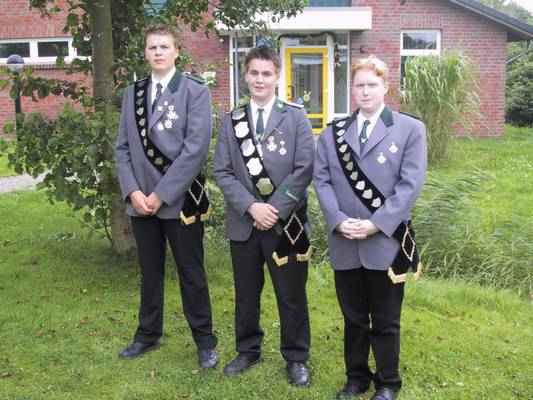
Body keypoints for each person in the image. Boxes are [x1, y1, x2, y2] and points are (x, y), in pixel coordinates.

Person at [313, 55, 427, 400]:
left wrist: (376, 224)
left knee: (386, 319)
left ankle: (388, 382)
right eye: (359, 85)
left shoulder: (409, 130)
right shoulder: (333, 133)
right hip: (346, 239)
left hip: (385, 243)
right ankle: (356, 378)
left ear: (385, 87)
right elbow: (322, 180)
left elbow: (409, 186)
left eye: (372, 85)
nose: (365, 91)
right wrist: (337, 220)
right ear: (352, 89)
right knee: (354, 318)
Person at [115, 24, 218, 369]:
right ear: (145, 53)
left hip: (180, 200)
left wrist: (160, 195)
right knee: (150, 272)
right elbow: (122, 148)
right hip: (140, 201)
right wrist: (133, 191)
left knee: (191, 272)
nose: (158, 52)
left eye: (164, 46)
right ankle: (147, 335)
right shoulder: (132, 94)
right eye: (152, 47)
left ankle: (205, 341)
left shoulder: (194, 91)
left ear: (177, 52)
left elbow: (195, 149)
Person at [213, 46, 314, 387]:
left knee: (291, 294)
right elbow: (222, 171)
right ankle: (247, 350)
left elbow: (304, 169)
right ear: (245, 75)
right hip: (244, 222)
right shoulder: (231, 120)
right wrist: (251, 206)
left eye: (266, 73)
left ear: (277, 77)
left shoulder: (296, 117)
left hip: (285, 223)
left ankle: (296, 356)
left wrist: (275, 209)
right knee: (246, 292)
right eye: (254, 73)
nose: (260, 79)